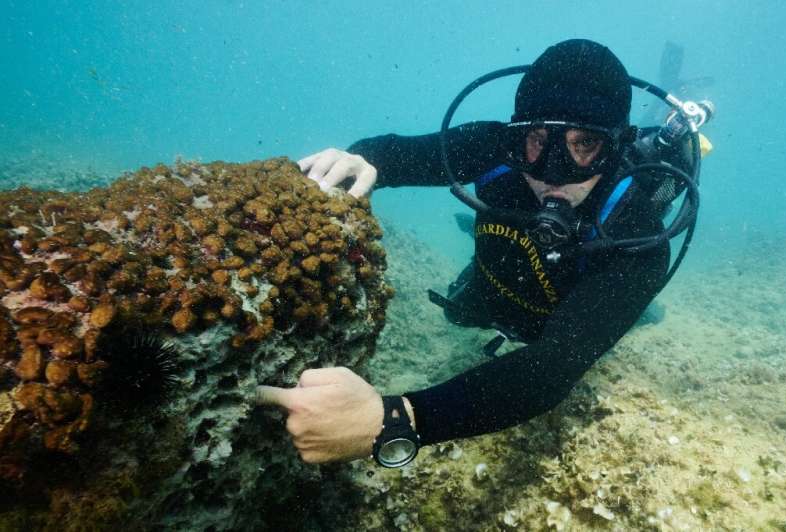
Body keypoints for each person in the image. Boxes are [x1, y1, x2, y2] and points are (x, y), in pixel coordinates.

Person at [254, 39, 703, 466]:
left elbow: (552, 368)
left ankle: (670, 117)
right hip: (498, 292)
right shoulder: (494, 148)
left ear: (614, 146)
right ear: (516, 135)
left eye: (584, 145)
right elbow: (391, 154)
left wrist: (396, 419)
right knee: (461, 310)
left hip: (567, 308)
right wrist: (357, 159)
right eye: (539, 140)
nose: (554, 174)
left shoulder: (638, 239)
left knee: (625, 320)